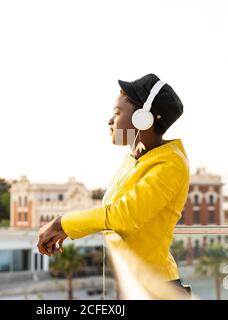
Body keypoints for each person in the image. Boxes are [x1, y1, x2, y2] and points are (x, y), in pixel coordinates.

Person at [37, 73, 190, 298]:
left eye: (117, 113)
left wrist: (63, 224)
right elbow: (109, 217)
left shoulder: (170, 164)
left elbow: (122, 217)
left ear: (142, 119)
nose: (110, 121)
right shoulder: (136, 159)